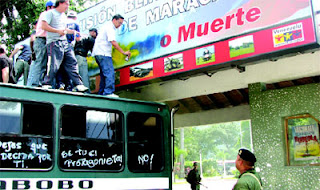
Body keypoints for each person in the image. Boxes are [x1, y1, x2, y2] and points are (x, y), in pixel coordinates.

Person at [41, 0, 88, 92]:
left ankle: (78, 84)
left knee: (72, 62)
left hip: (65, 42)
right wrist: (57, 31)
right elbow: (44, 26)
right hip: (54, 42)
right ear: (60, 3)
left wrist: (73, 32)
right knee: (54, 64)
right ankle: (46, 83)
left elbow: (64, 29)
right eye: (66, 4)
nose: (67, 6)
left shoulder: (63, 16)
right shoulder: (50, 13)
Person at [92, 14, 131, 96]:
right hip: (104, 53)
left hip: (98, 53)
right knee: (109, 72)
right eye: (119, 23)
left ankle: (102, 93)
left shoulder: (105, 26)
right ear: (114, 20)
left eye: (121, 24)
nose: (119, 25)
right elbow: (113, 42)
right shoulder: (110, 27)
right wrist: (123, 52)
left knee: (103, 74)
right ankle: (108, 92)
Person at [27, 0, 54, 87]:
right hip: (41, 40)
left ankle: (36, 83)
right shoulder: (46, 14)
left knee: (42, 63)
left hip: (42, 41)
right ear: (49, 7)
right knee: (40, 63)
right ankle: (35, 84)